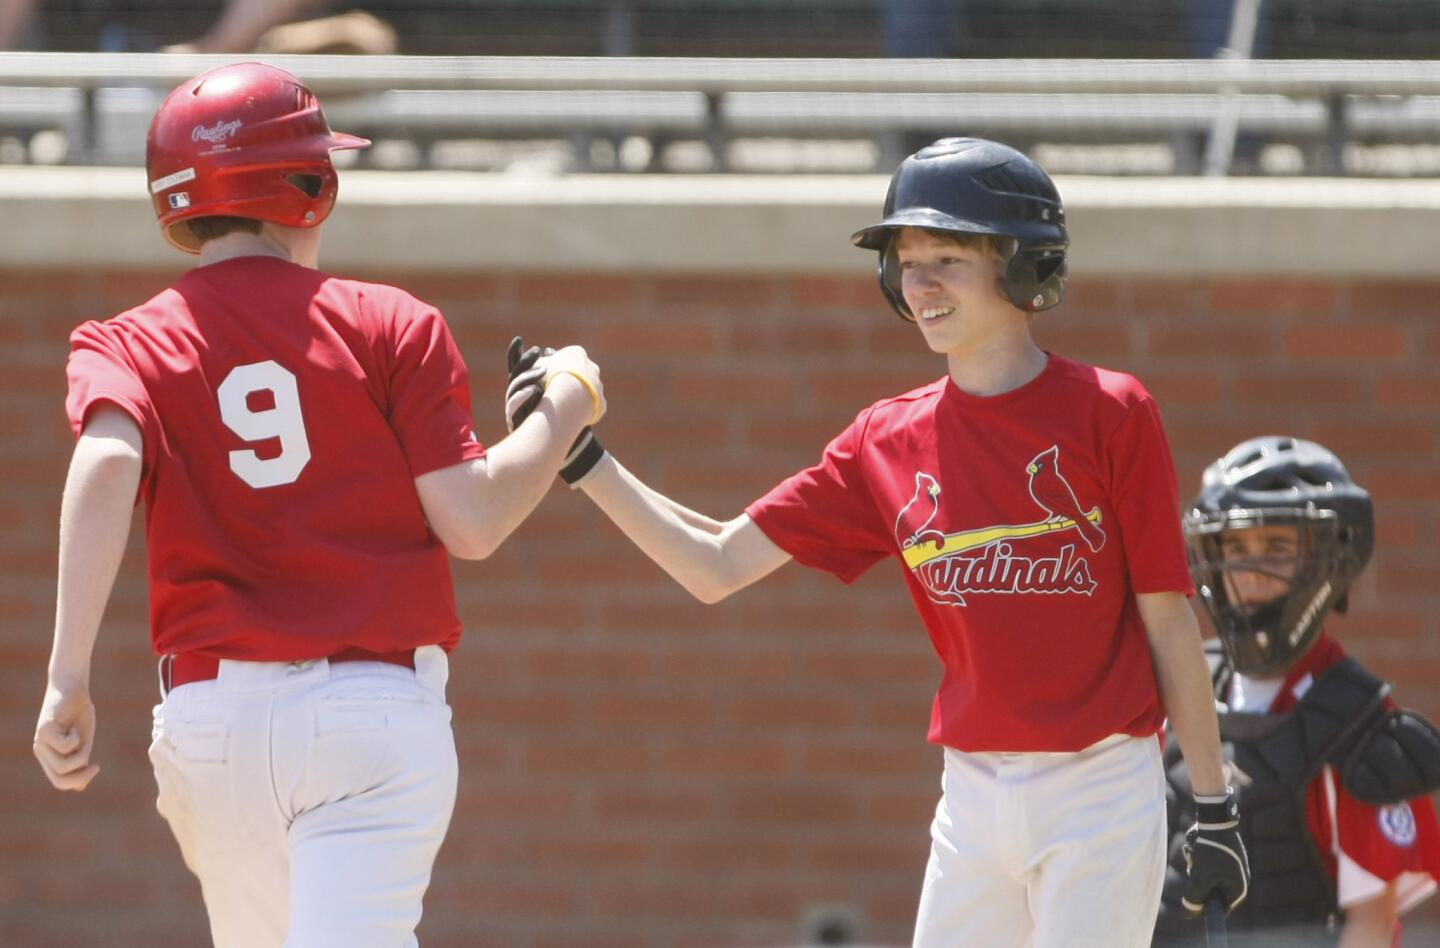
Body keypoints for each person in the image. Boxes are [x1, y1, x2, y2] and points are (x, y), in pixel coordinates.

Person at [506, 137, 1249, 947]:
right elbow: (715, 562)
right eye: (905, 260)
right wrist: (583, 461)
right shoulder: (885, 439)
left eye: (947, 257)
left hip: (1101, 784)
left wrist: (1211, 806)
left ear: (1022, 267)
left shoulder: (1113, 412)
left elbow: (1169, 619)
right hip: (971, 791)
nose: (919, 283)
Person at [30, 62, 604, 948]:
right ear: (306, 186)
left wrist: (67, 676)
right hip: (366, 719)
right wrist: (566, 402)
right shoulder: (388, 321)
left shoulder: (127, 339)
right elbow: (474, 521)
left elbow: (105, 464)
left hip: (208, 726)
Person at [1155, 436, 1440, 947]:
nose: (1251, 572)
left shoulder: (1353, 722)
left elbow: (1371, 926)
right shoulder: (1182, 681)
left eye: (1277, 549)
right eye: (1237, 549)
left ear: (1327, 562)